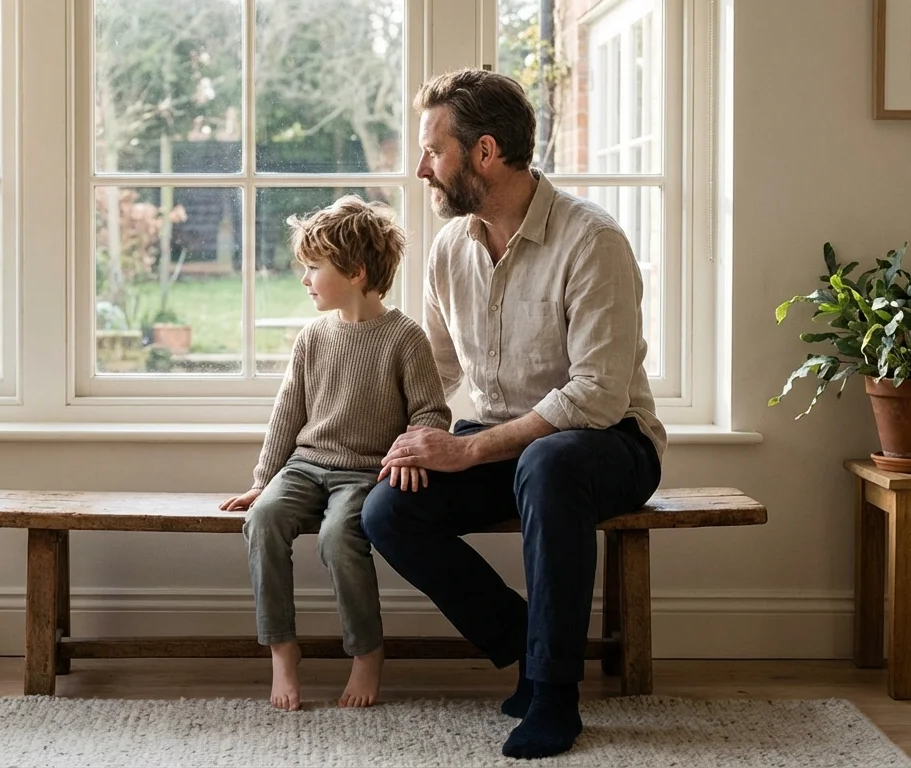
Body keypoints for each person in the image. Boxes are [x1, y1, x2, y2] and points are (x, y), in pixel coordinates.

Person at [360, 69, 666, 759]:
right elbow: (434, 373)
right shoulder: (449, 249)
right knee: (387, 510)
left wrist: (466, 451)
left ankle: (556, 695)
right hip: (506, 441)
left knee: (550, 461)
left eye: (433, 152)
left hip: (608, 443)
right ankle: (530, 646)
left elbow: (597, 394)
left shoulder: (592, 241)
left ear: (485, 152)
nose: (420, 169)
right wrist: (417, 437)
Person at [219, 195, 451, 711]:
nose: (303, 279)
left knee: (337, 536)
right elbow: (287, 415)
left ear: (355, 271)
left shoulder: (405, 338)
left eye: (313, 267)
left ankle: (366, 651)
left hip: (364, 474)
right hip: (305, 466)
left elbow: (432, 413)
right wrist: (263, 480)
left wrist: (410, 454)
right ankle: (282, 649)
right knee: (263, 520)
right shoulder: (312, 338)